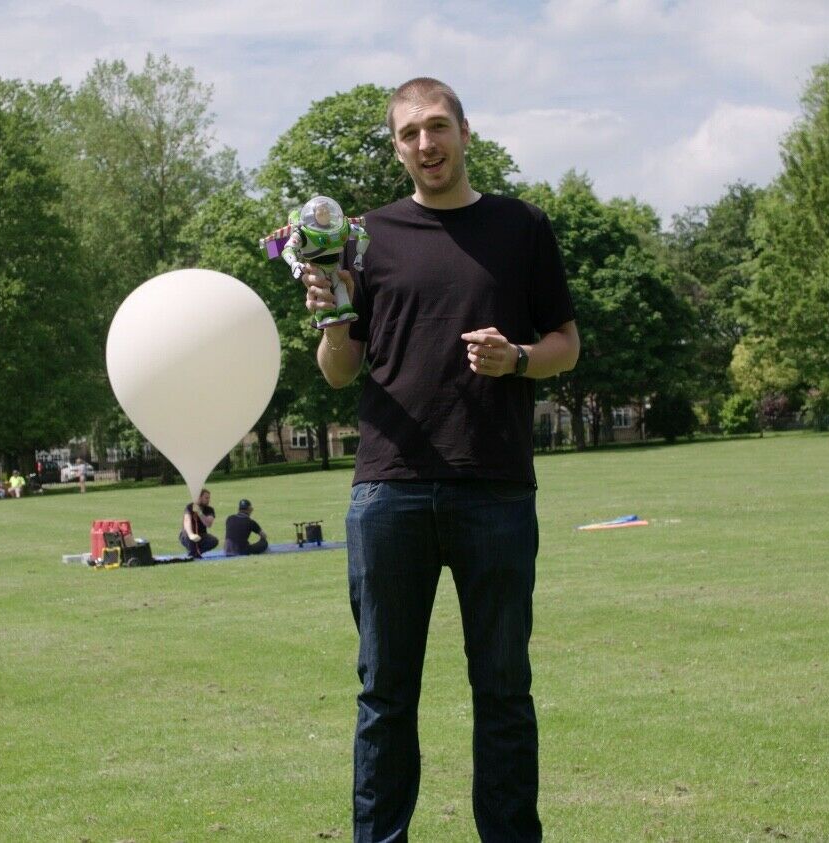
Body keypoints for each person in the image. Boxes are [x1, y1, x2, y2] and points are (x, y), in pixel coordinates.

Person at [299, 77, 579, 842]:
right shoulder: (368, 238)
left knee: (503, 692)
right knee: (384, 697)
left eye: (437, 127)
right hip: (389, 492)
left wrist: (516, 358)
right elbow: (340, 370)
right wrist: (331, 318)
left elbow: (566, 344)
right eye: (409, 134)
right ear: (396, 147)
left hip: (495, 491)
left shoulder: (522, 227)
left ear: (464, 130)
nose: (426, 145)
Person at [179, 488, 218, 558]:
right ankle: (193, 552)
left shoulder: (210, 510)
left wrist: (199, 512)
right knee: (190, 539)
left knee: (214, 541)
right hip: (187, 534)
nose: (208, 500)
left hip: (201, 535)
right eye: (206, 498)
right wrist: (191, 534)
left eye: (209, 498)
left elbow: (208, 524)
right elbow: (187, 521)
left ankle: (195, 552)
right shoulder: (189, 507)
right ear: (199, 498)